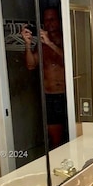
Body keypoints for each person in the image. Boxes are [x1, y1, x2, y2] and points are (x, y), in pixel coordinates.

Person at [21, 8, 68, 149]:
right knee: (55, 139)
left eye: (52, 19)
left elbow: (69, 62)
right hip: (50, 96)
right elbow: (31, 65)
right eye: (46, 20)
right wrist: (28, 44)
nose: (50, 23)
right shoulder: (40, 44)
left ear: (59, 21)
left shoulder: (65, 39)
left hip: (67, 95)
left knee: (71, 134)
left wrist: (50, 43)